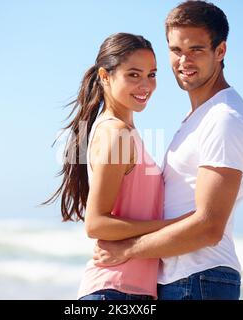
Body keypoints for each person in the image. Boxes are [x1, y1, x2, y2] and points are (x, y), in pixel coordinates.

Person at [93, 1, 243, 300]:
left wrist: (128, 249)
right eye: (176, 50)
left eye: (196, 49)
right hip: (183, 279)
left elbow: (209, 227)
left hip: (199, 278)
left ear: (220, 51)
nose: (184, 60)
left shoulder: (223, 118)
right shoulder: (198, 117)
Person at [44, 33, 188, 300]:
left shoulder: (123, 131)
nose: (146, 85)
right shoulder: (116, 133)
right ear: (105, 76)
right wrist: (171, 226)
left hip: (129, 292)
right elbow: (96, 223)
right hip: (115, 291)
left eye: (152, 74)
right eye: (134, 75)